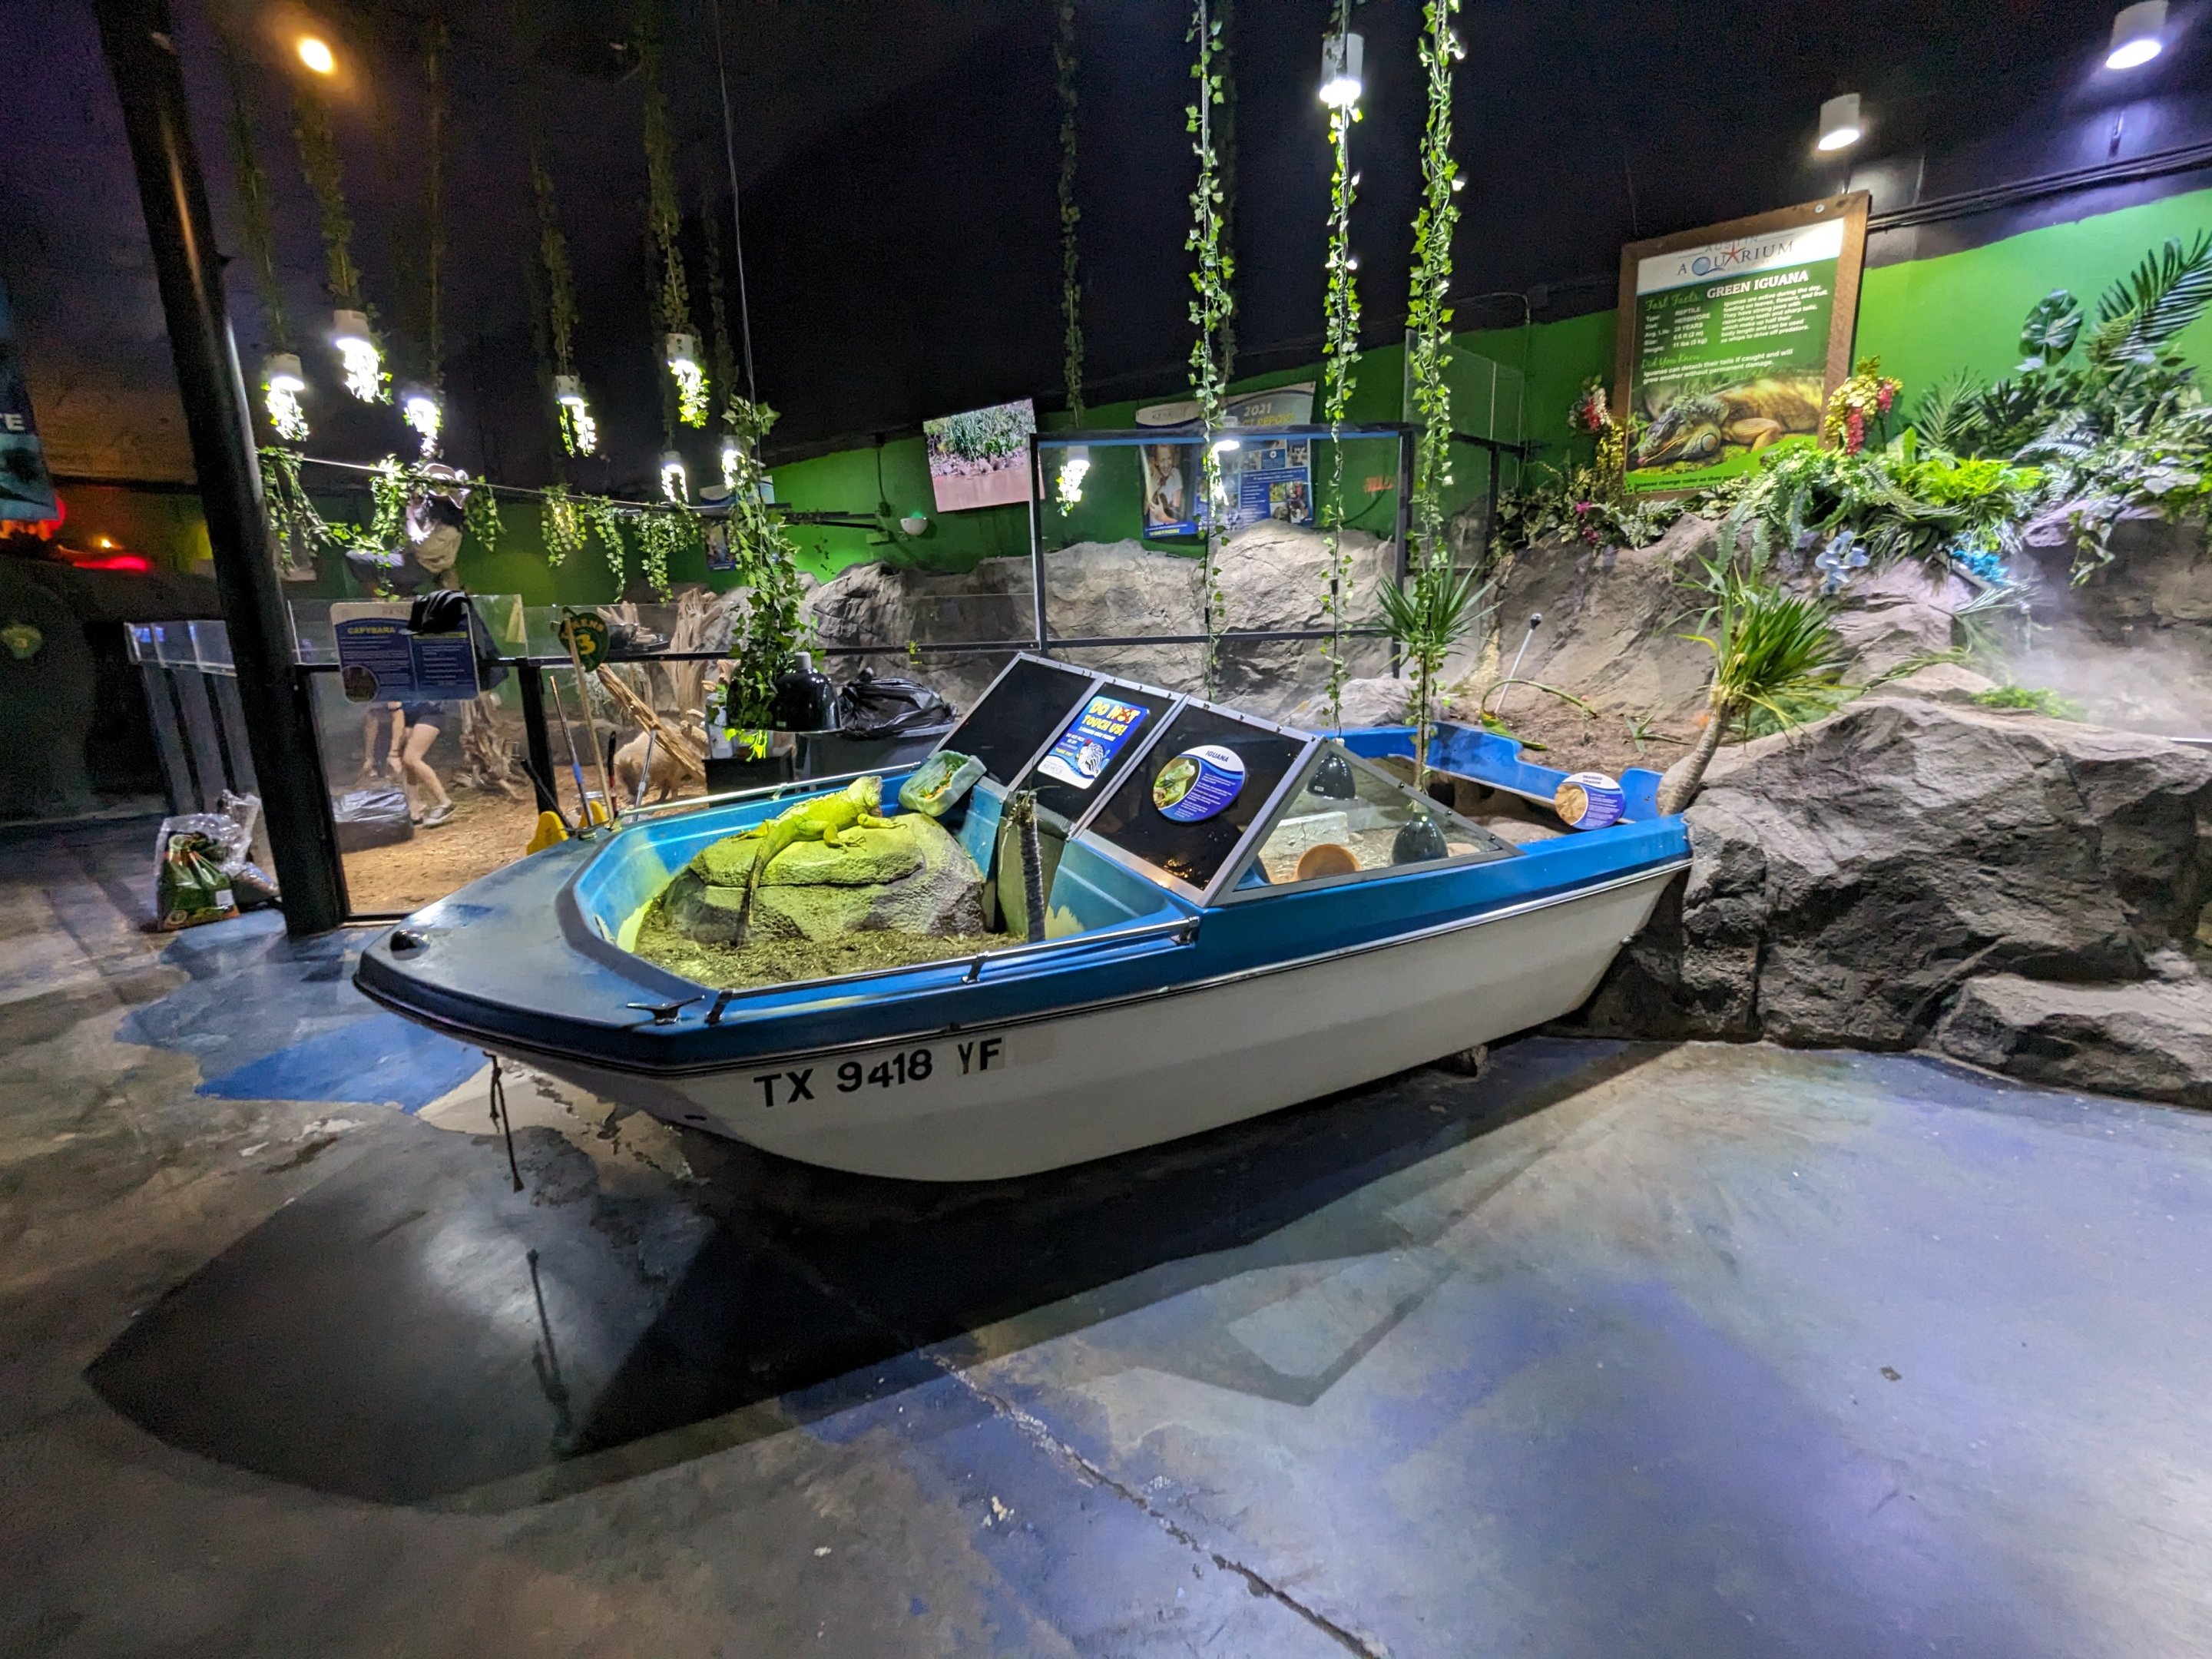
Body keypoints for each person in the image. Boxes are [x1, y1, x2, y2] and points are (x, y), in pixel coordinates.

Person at [395, 700, 455, 826]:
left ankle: (445, 803)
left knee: (412, 758)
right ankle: (414, 809)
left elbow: (396, 714)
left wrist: (392, 752)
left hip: (430, 711)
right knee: (406, 760)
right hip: (409, 714)